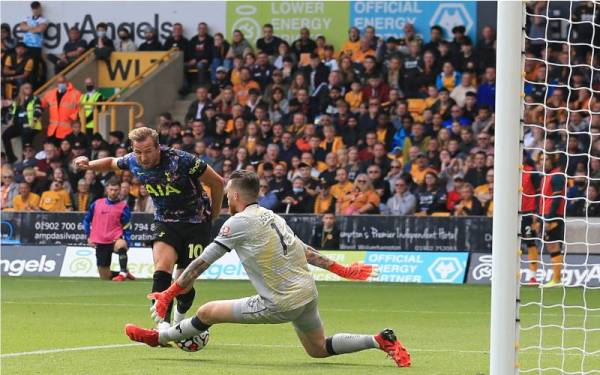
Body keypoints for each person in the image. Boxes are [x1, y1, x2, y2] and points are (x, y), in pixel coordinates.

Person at [125, 170, 409, 368]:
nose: (224, 199)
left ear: (235, 195)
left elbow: (200, 263)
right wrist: (342, 270)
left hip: (280, 302)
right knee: (318, 349)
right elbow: (304, 250)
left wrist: (169, 293)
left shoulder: (236, 223)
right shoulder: (272, 216)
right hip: (307, 293)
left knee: (207, 311)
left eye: (226, 194)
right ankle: (379, 341)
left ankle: (158, 337)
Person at [73, 127, 224, 327]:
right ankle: (162, 325)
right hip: (165, 221)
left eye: (148, 151)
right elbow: (111, 162)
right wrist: (89, 164)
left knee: (183, 283)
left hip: (195, 223)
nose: (143, 157)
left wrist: (212, 215)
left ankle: (180, 314)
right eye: (138, 152)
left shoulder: (183, 160)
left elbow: (218, 183)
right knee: (162, 268)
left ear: (158, 147)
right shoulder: (133, 161)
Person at [82, 177, 135, 281]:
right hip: (100, 241)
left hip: (115, 239)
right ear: (107, 190)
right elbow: (86, 220)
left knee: (121, 245)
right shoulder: (97, 203)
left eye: (116, 190)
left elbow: (127, 225)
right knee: (104, 277)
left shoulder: (123, 206)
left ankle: (123, 272)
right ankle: (124, 273)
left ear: (119, 190)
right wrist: (88, 236)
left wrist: (127, 241)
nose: (113, 192)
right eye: (111, 189)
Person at [532, 155, 566, 288]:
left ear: (552, 161)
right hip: (544, 214)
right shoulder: (546, 176)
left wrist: (549, 217)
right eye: (540, 160)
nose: (543, 163)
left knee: (553, 245)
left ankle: (556, 280)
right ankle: (556, 279)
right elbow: (542, 198)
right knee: (551, 245)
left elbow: (557, 197)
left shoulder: (557, 175)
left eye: (546, 160)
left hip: (553, 215)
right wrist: (538, 213)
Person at [4, 83, 42, 163]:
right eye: (26, 88)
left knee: (26, 140)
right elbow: (11, 111)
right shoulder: (17, 100)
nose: (29, 89)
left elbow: (38, 111)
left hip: (31, 125)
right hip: (18, 125)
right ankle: (11, 157)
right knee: (5, 135)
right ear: (22, 90)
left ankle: (25, 161)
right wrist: (10, 120)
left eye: (30, 88)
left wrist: (33, 121)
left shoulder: (35, 99)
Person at [42, 75, 81, 140]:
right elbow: (42, 104)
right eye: (59, 82)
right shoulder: (50, 94)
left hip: (67, 131)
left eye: (63, 82)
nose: (61, 84)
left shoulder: (76, 94)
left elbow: (81, 107)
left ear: (67, 82)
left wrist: (74, 116)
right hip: (52, 131)